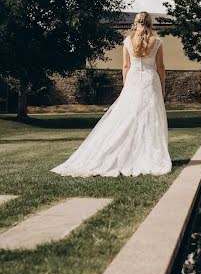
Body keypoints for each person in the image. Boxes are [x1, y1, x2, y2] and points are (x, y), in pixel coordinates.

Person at [50, 12, 172, 177]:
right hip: (151, 81)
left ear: (135, 24)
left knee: (128, 118)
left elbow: (125, 66)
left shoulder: (128, 41)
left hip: (133, 81)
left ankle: (128, 154)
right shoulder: (157, 42)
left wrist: (126, 86)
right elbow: (161, 67)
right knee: (151, 118)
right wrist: (163, 88)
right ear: (151, 24)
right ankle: (147, 155)